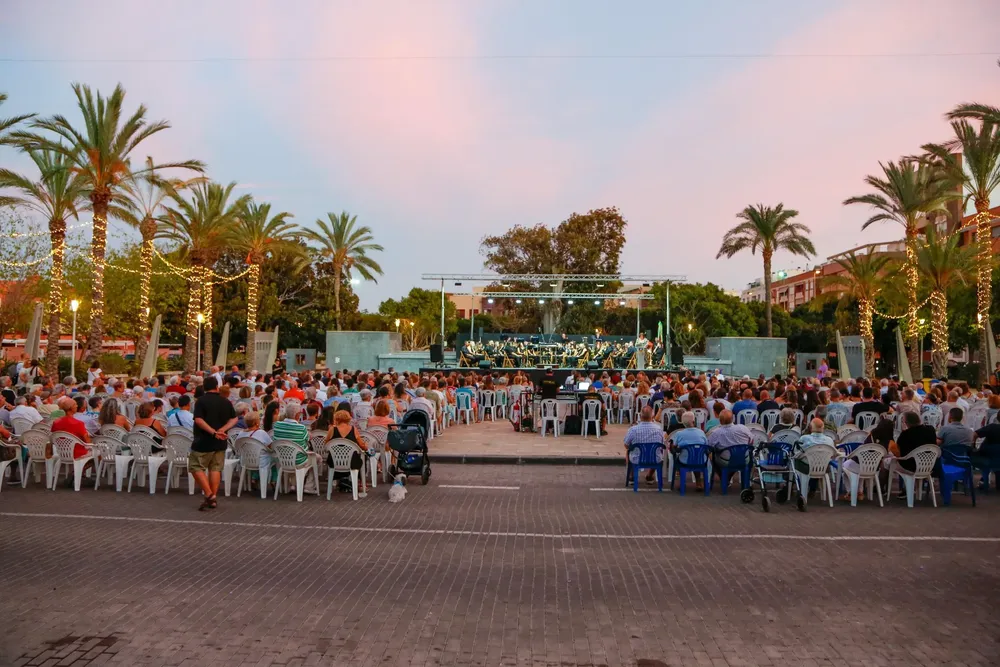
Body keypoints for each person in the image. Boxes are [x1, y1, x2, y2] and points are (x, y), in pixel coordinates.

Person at [190, 376, 237, 511]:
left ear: (204, 387)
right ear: (217, 386)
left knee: (195, 466)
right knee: (215, 468)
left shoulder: (201, 402)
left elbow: (199, 420)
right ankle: (213, 496)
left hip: (203, 439)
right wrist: (222, 429)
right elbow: (234, 419)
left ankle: (210, 494)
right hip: (220, 440)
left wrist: (213, 432)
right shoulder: (225, 401)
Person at [623, 406, 664, 483]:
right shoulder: (659, 429)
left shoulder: (633, 429)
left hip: (637, 459)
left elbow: (626, 445)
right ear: (652, 416)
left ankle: (632, 476)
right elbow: (661, 445)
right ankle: (649, 475)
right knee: (657, 451)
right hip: (655, 459)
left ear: (640, 416)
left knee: (628, 451)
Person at [51, 396, 93, 463]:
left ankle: (79, 471)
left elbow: (53, 437)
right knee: (99, 454)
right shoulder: (78, 423)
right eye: (75, 404)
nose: (77, 406)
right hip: (78, 453)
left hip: (62, 453)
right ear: (71, 407)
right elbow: (87, 441)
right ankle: (81, 470)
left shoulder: (56, 422)